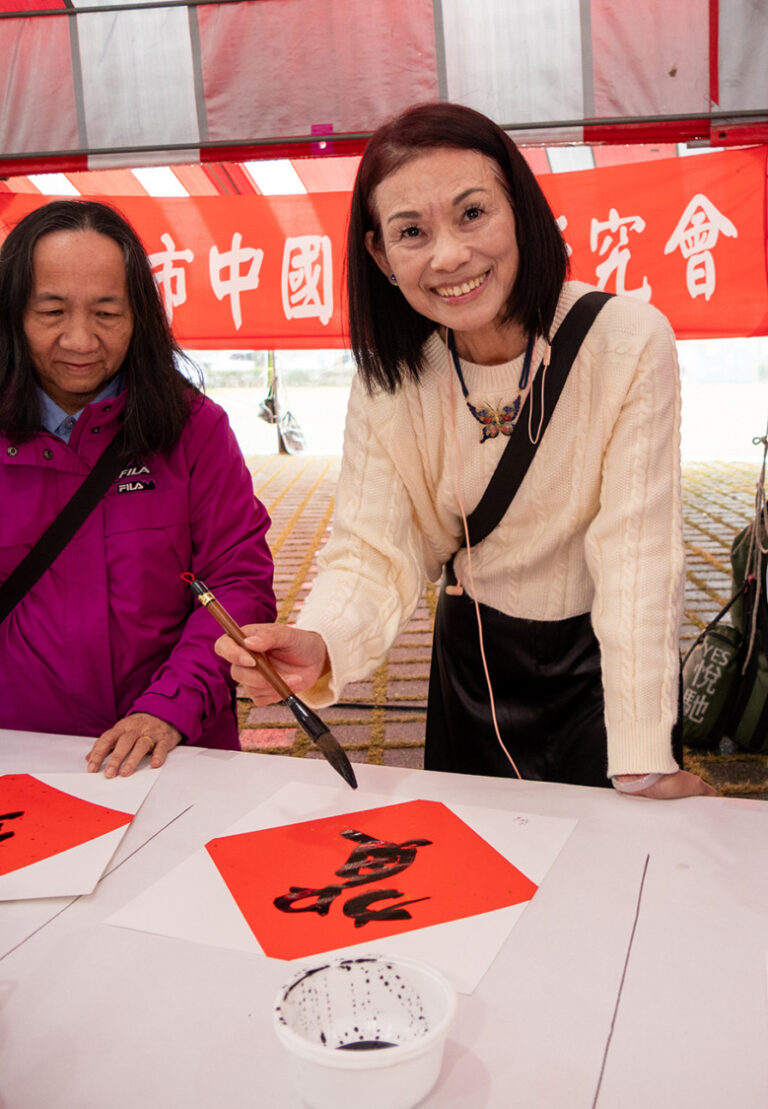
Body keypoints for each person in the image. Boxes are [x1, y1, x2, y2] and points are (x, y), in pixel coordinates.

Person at [216, 102, 714, 800]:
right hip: (471, 664)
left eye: (472, 213)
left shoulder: (627, 341)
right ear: (380, 257)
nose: (448, 256)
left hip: (601, 669)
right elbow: (372, 550)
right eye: (411, 231)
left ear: (520, 209)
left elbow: (637, 559)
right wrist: (322, 639)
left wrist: (641, 757)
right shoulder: (393, 377)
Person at [0, 199, 276, 776]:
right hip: (25, 758)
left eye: (107, 313)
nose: (80, 340)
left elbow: (237, 581)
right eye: (51, 311)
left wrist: (170, 709)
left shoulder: (194, 427)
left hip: (172, 752)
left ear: (139, 318)